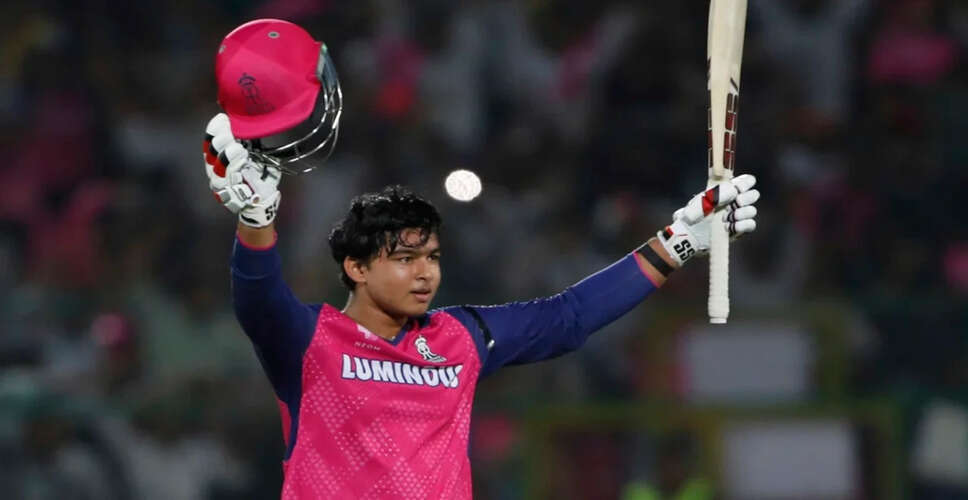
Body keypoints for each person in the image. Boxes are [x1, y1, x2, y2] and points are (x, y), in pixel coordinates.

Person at [203, 19, 761, 499]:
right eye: (405, 258)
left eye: (432, 257)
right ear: (357, 267)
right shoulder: (310, 342)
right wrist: (256, 219)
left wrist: (679, 241)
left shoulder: (460, 338)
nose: (426, 272)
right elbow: (258, 299)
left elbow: (569, 317)